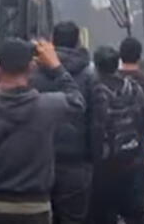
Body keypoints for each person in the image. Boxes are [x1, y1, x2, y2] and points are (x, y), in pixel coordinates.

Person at [0, 39, 85, 224]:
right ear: (31, 68)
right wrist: (56, 67)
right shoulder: (48, 107)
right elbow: (77, 101)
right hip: (35, 208)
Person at [30, 22, 94, 224]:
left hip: (38, 161)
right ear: (78, 42)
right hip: (77, 161)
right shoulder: (90, 74)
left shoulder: (33, 74)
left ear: (52, 41)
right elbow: (96, 119)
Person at [88, 46, 144, 224]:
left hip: (104, 164)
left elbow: (91, 127)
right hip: (131, 158)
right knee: (135, 212)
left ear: (97, 66)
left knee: (103, 213)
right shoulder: (133, 88)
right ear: (117, 64)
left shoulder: (93, 90)